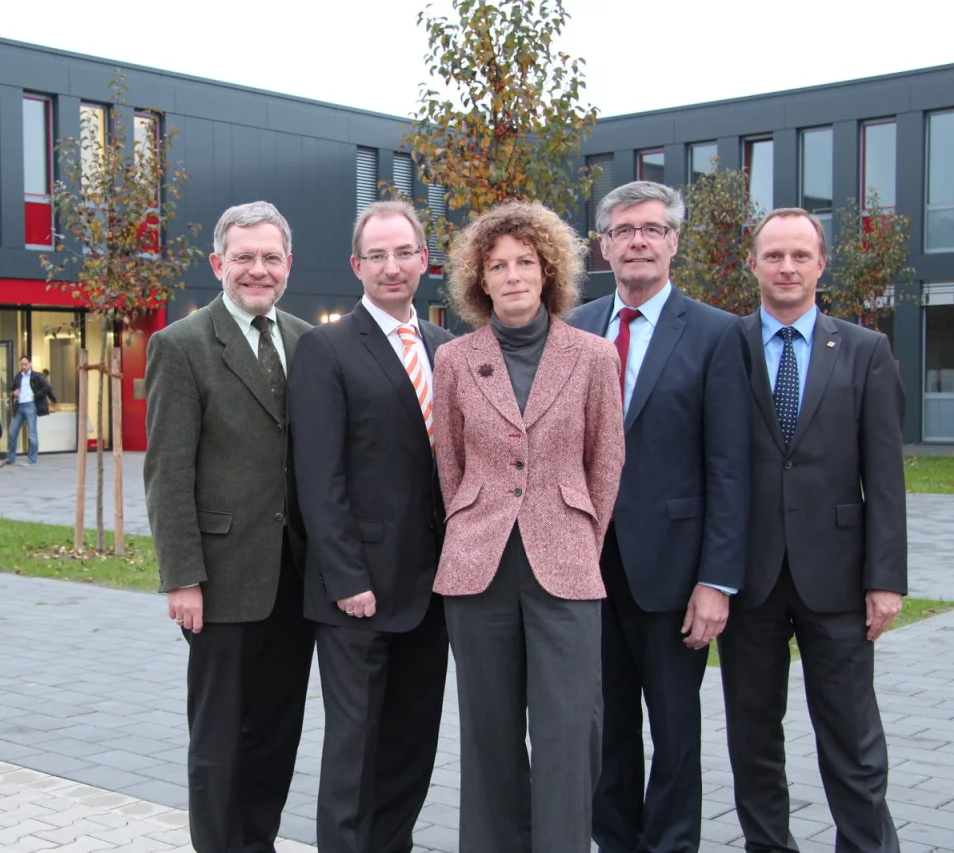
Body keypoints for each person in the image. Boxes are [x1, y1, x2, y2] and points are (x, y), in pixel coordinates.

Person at [431, 201, 625, 852]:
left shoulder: (593, 356)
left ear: (548, 272)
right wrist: (474, 524)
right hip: (478, 567)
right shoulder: (455, 360)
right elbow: (450, 463)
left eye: (525, 262)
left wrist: (579, 539)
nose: (512, 275)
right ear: (479, 280)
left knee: (568, 730)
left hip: (565, 564)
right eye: (497, 265)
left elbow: (605, 460)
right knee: (487, 732)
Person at [569, 181, 750, 853]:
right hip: (585, 569)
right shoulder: (573, 327)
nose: (638, 241)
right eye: (623, 230)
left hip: (674, 573)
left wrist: (717, 581)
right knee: (605, 726)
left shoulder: (717, 333)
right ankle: (614, 840)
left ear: (674, 241)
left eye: (651, 229)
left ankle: (671, 844)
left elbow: (730, 467)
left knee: (675, 732)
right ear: (604, 246)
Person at [719, 208, 906, 853]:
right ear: (753, 264)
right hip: (751, 575)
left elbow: (885, 475)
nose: (788, 267)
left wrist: (886, 579)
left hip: (839, 576)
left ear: (822, 264)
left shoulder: (865, 350)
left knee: (852, 736)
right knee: (752, 736)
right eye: (774, 255)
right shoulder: (725, 345)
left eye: (801, 255)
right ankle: (768, 845)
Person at [144, 201, 315, 853]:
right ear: (218, 263)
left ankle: (257, 843)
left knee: (277, 733)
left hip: (295, 578)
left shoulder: (306, 340)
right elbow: (167, 473)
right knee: (220, 739)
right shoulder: (181, 345)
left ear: (289, 264)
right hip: (219, 581)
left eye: (270, 257)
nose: (257, 269)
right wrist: (181, 577)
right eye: (244, 257)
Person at [288, 200, 452, 853]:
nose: (391, 266)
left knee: (413, 742)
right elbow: (318, 475)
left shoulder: (446, 347)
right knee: (354, 753)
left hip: (435, 589)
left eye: (403, 252)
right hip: (359, 593)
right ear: (356, 265)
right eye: (376, 255)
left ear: (424, 260)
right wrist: (346, 576)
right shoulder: (325, 348)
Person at [5, 356, 55, 466]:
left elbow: (48, 387)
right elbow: (12, 388)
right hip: (19, 405)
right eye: (22, 364)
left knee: (32, 432)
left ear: (30, 364)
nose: (23, 366)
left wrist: (36, 395)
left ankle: (32, 458)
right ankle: (10, 458)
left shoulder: (37, 376)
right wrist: (14, 392)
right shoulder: (19, 376)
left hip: (30, 405)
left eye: (25, 364)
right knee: (12, 432)